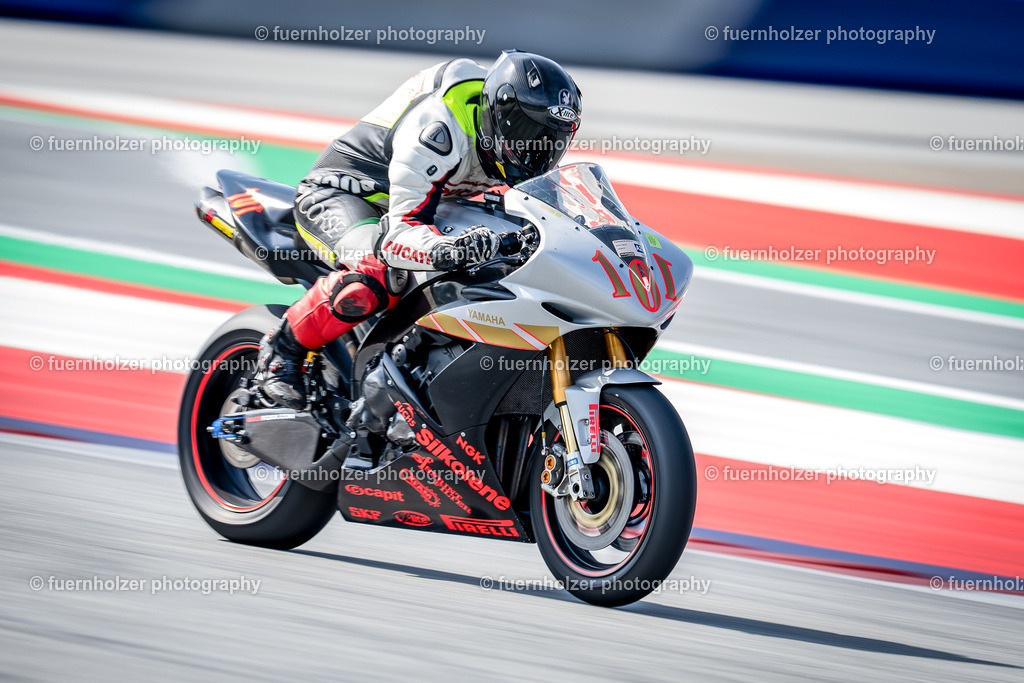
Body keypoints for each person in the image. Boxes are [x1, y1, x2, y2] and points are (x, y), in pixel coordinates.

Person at [258, 50, 582, 409]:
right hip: (345, 195)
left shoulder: (516, 148)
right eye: (527, 133)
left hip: (427, 201)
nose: (537, 151)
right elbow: (397, 236)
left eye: (550, 140)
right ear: (498, 114)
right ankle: (282, 351)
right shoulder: (440, 127)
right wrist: (451, 249)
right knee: (379, 274)